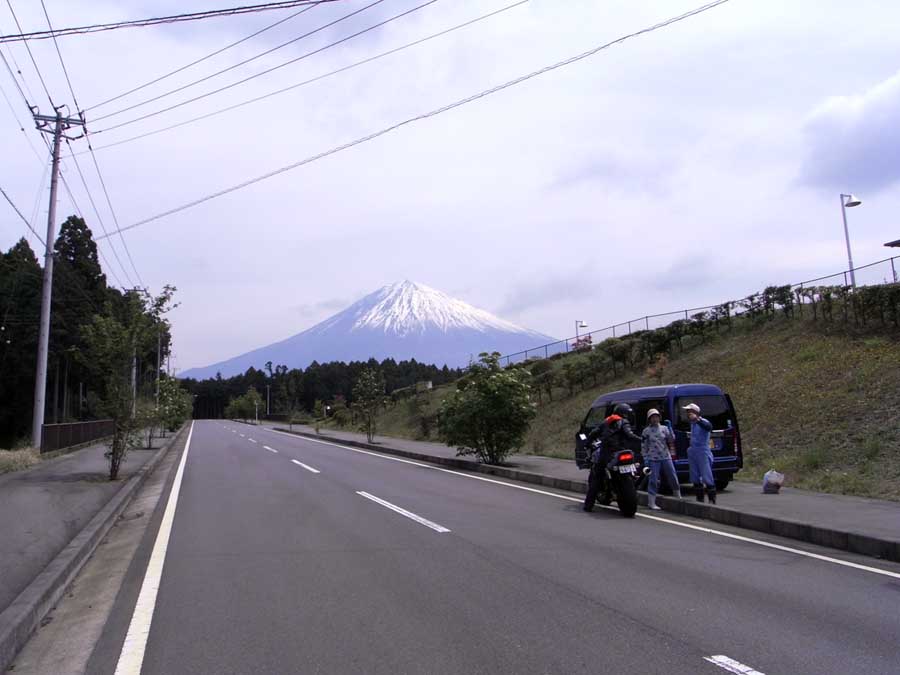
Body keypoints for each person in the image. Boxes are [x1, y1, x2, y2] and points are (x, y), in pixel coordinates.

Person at [583, 403, 642, 512]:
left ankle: (588, 506)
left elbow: (593, 433)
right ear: (625, 414)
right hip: (622, 451)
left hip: (607, 453)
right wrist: (641, 439)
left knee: (597, 477)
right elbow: (629, 434)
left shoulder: (606, 421)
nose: (629, 416)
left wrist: (587, 443)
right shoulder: (624, 422)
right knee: (635, 470)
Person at [641, 408, 682, 510]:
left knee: (672, 476)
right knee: (653, 480)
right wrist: (645, 458)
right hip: (653, 458)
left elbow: (671, 439)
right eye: (652, 417)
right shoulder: (646, 431)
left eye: (656, 417)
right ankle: (651, 502)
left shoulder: (664, 428)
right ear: (649, 419)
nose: (655, 419)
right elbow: (643, 446)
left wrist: (670, 428)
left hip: (665, 456)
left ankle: (677, 495)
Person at [683, 403, 716, 504]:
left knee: (707, 475)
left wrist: (698, 420)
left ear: (695, 412)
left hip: (702, 451)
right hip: (693, 451)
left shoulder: (703, 422)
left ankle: (711, 499)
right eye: (687, 412)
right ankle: (699, 499)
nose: (688, 414)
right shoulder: (692, 424)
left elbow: (709, 427)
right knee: (694, 476)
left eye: (689, 411)